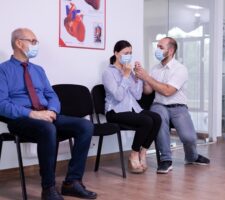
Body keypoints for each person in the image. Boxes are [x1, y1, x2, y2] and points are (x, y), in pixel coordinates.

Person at [0, 28, 97, 199]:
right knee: (48, 129)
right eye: (33, 41)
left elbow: (51, 95)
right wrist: (32, 114)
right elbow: (2, 104)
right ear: (18, 43)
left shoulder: (38, 70)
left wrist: (51, 110)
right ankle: (48, 189)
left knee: (86, 126)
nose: (36, 45)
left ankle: (72, 182)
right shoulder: (3, 70)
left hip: (45, 115)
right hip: (21, 119)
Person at [135, 37, 210, 174]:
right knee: (159, 119)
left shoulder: (180, 69)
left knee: (189, 137)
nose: (157, 50)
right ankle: (165, 160)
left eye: (160, 47)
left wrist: (147, 77)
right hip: (159, 105)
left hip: (178, 107)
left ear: (170, 50)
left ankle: (192, 156)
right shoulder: (154, 69)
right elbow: (148, 91)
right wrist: (141, 77)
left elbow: (168, 91)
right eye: (157, 46)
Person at [102, 40, 161, 174]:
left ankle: (143, 152)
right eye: (125, 53)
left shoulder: (129, 71)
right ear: (116, 53)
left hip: (132, 109)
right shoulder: (108, 73)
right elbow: (118, 96)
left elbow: (138, 95)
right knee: (146, 121)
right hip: (115, 112)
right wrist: (126, 76)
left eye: (130, 53)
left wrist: (138, 77)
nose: (128, 56)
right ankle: (134, 154)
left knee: (156, 118)